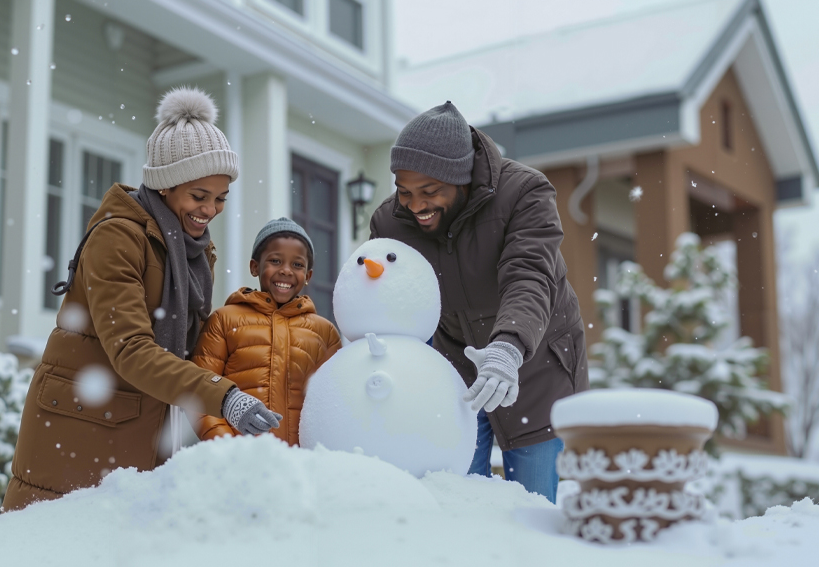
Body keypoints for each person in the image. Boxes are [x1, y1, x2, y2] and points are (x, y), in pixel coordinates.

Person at [3, 88, 282, 511]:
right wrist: (222, 396)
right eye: (199, 195)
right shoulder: (118, 238)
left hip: (140, 425)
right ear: (165, 185)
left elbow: (191, 349)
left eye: (220, 198)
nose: (210, 210)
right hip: (81, 427)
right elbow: (132, 351)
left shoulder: (190, 250)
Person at [369, 101, 589, 503]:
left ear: (462, 178)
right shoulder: (390, 222)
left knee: (534, 504)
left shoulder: (524, 193)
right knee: (460, 498)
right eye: (405, 192)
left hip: (537, 361)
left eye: (430, 192)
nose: (415, 205)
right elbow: (389, 303)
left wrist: (507, 348)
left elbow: (528, 275)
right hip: (456, 368)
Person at [191, 218, 342, 445]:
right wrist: (226, 446)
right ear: (254, 267)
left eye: (297, 265)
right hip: (239, 461)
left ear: (308, 276)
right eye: (275, 260)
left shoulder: (325, 333)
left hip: (302, 465)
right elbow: (201, 390)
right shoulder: (224, 320)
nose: (286, 271)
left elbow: (334, 402)